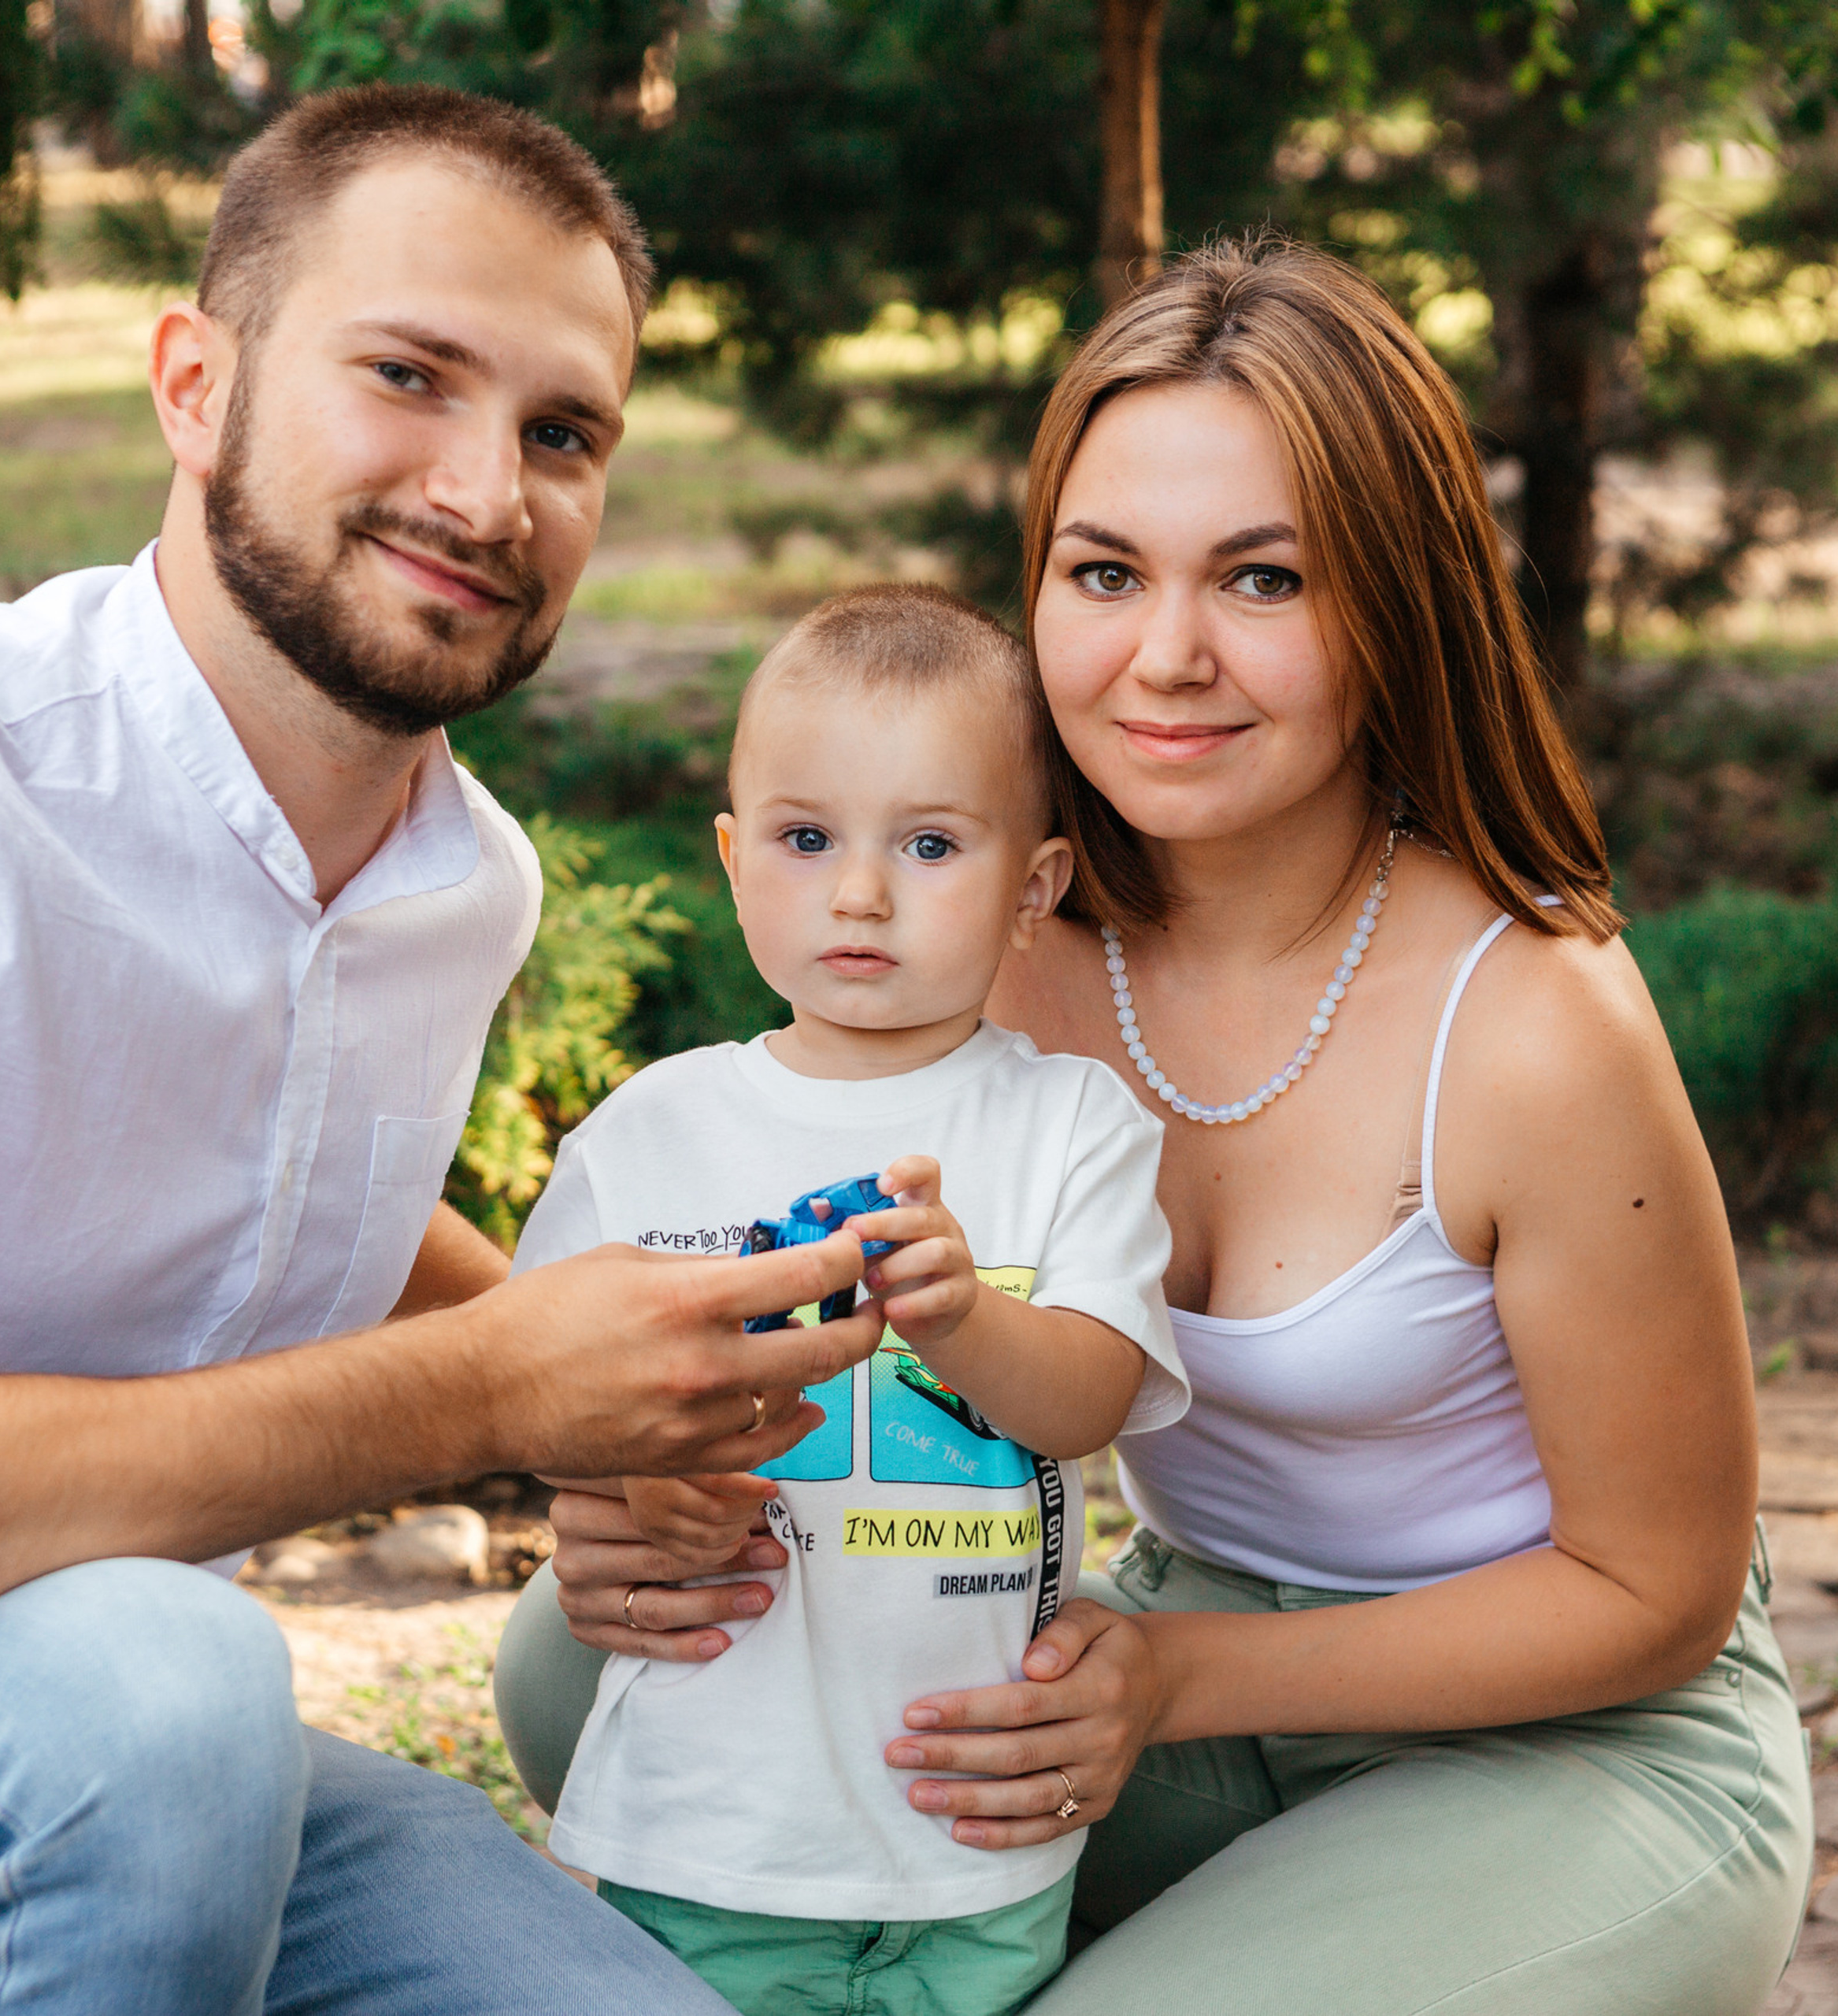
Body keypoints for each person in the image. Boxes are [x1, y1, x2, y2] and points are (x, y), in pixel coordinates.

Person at [495, 236, 1814, 2013]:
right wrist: (637, 1510)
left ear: (1391, 606)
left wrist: (1175, 1677)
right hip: (1180, 1654)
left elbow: (1654, 1592)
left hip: (1569, 1736)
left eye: (1262, 578)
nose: (1166, 657)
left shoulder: (1532, 1022)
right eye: (1105, 571)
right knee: (573, 1663)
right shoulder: (996, 937)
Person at [0, 84, 885, 2016]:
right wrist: (489, 1390)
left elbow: (279, 1173)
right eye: (408, 375)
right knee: (163, 1683)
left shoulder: (465, 887)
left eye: (561, 433)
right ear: (194, 383)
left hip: (142, 1772)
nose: (488, 497)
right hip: (43, 1726)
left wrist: (607, 1379)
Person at [506, 584, 1188, 2016]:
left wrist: (965, 1319)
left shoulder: (1074, 1124)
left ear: (1036, 888)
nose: (860, 894)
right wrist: (641, 1479)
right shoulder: (650, 1134)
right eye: (806, 839)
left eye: (930, 845)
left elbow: (1091, 1399)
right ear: (733, 857)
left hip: (974, 1835)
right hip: (710, 1825)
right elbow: (537, 1396)